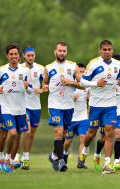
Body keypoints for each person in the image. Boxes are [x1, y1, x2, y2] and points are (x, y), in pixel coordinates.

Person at [78, 40, 120, 174]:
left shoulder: (117, 64)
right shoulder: (94, 63)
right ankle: (85, 150)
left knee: (109, 131)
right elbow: (82, 80)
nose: (107, 52)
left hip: (111, 105)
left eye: (109, 49)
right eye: (104, 49)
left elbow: (119, 80)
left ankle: (107, 164)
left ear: (112, 50)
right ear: (100, 51)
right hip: (95, 105)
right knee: (91, 133)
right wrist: (95, 84)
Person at [0, 43, 31, 172]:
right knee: (12, 133)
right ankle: (6, 158)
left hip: (20, 109)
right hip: (7, 108)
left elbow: (30, 90)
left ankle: (9, 161)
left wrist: (27, 87)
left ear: (19, 56)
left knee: (18, 136)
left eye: (15, 54)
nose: (13, 56)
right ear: (7, 56)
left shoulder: (25, 70)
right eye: (11, 54)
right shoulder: (1, 70)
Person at [43, 42, 82, 172]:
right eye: (60, 51)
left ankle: (54, 155)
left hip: (69, 105)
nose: (62, 53)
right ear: (55, 52)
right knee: (58, 132)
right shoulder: (48, 67)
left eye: (64, 51)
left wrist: (70, 82)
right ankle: (60, 161)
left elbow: (82, 85)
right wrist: (44, 87)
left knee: (65, 133)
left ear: (67, 52)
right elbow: (45, 83)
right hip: (55, 105)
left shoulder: (73, 66)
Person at [93, 54, 120, 171]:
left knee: (118, 134)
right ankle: (97, 154)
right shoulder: (105, 75)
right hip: (106, 108)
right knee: (103, 137)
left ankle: (116, 162)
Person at [17, 46, 44, 170]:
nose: (30, 57)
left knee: (31, 134)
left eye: (32, 55)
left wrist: (44, 88)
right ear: (24, 56)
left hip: (36, 106)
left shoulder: (41, 68)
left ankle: (25, 155)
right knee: (26, 131)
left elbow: (45, 84)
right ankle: (23, 158)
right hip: (23, 105)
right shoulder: (19, 68)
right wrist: (31, 87)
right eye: (28, 55)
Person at [63, 63, 90, 169]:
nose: (82, 74)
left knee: (83, 138)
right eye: (80, 72)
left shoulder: (86, 86)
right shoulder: (71, 85)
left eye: (84, 72)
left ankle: (81, 161)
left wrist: (89, 97)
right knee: (68, 141)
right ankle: (65, 153)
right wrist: (72, 98)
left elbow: (92, 97)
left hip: (83, 117)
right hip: (71, 118)